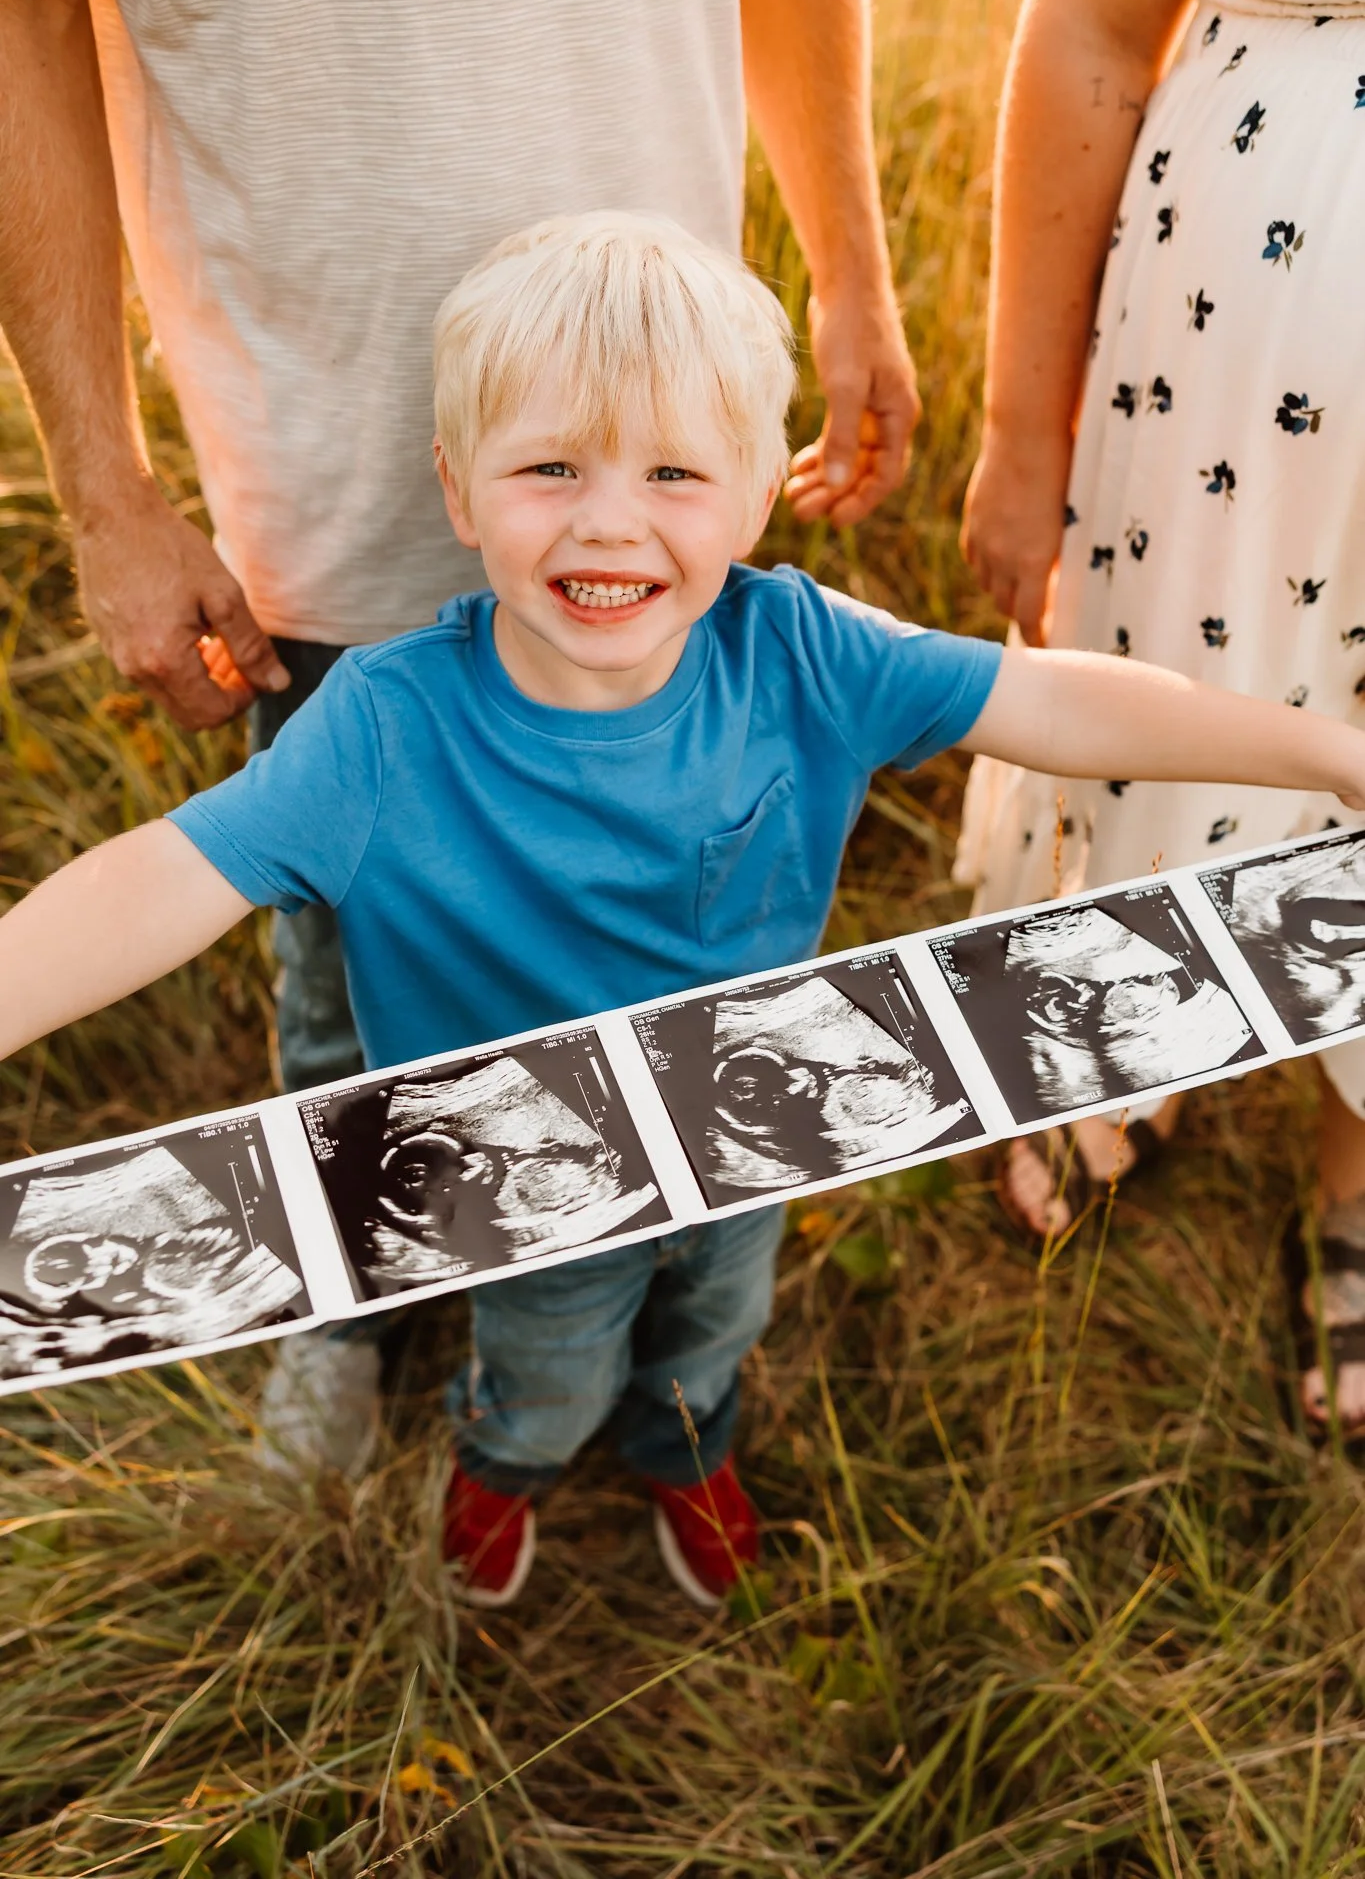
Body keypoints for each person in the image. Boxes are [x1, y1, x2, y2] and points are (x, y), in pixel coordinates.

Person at [4, 213, 1365, 1602]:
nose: (609, 520)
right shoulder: (380, 728)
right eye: (549, 469)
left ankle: (685, 1441)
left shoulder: (801, 652)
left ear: (759, 492)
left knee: (718, 1317)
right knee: (549, 1363)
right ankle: (506, 1464)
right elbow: (160, 877)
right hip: (516, 1176)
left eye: (672, 472)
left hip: (753, 1121)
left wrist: (1333, 753)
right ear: (458, 492)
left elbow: (1055, 699)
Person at [0, 0, 919, 1460]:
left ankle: (644, 1288)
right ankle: (356, 1297)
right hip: (326, 443)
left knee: (653, 913)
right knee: (346, 960)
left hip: (655, 426)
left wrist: (850, 267)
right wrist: (103, 494)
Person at [954, 0, 1365, 1424]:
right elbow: (1087, 28)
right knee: (1174, 689)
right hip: (1217, 376)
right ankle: (1131, 1018)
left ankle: (1358, 1182)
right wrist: (1023, 431)